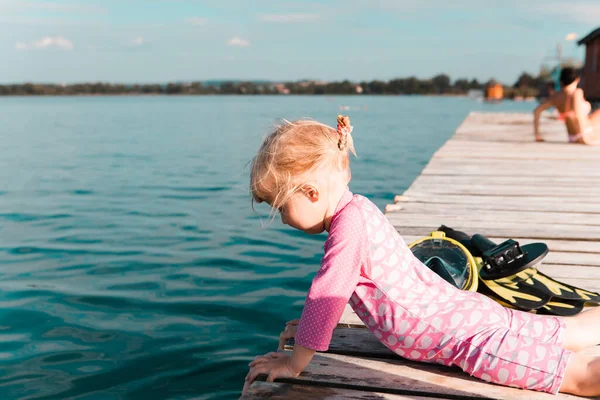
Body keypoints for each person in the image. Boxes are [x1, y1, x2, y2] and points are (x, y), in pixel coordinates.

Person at [243, 115, 600, 397]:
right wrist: (307, 328)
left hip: (464, 340)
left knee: (581, 377)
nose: (285, 219)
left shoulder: (346, 230)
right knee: (570, 331)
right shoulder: (360, 209)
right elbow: (351, 290)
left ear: (310, 191)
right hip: (466, 313)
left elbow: (327, 296)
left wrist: (295, 362)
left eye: (281, 207)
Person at [534, 67, 600, 144]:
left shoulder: (556, 96)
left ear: (561, 81)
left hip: (572, 136)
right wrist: (584, 137)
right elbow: (577, 115)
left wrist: (537, 135)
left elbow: (537, 111)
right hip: (584, 133)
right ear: (577, 79)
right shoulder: (576, 93)